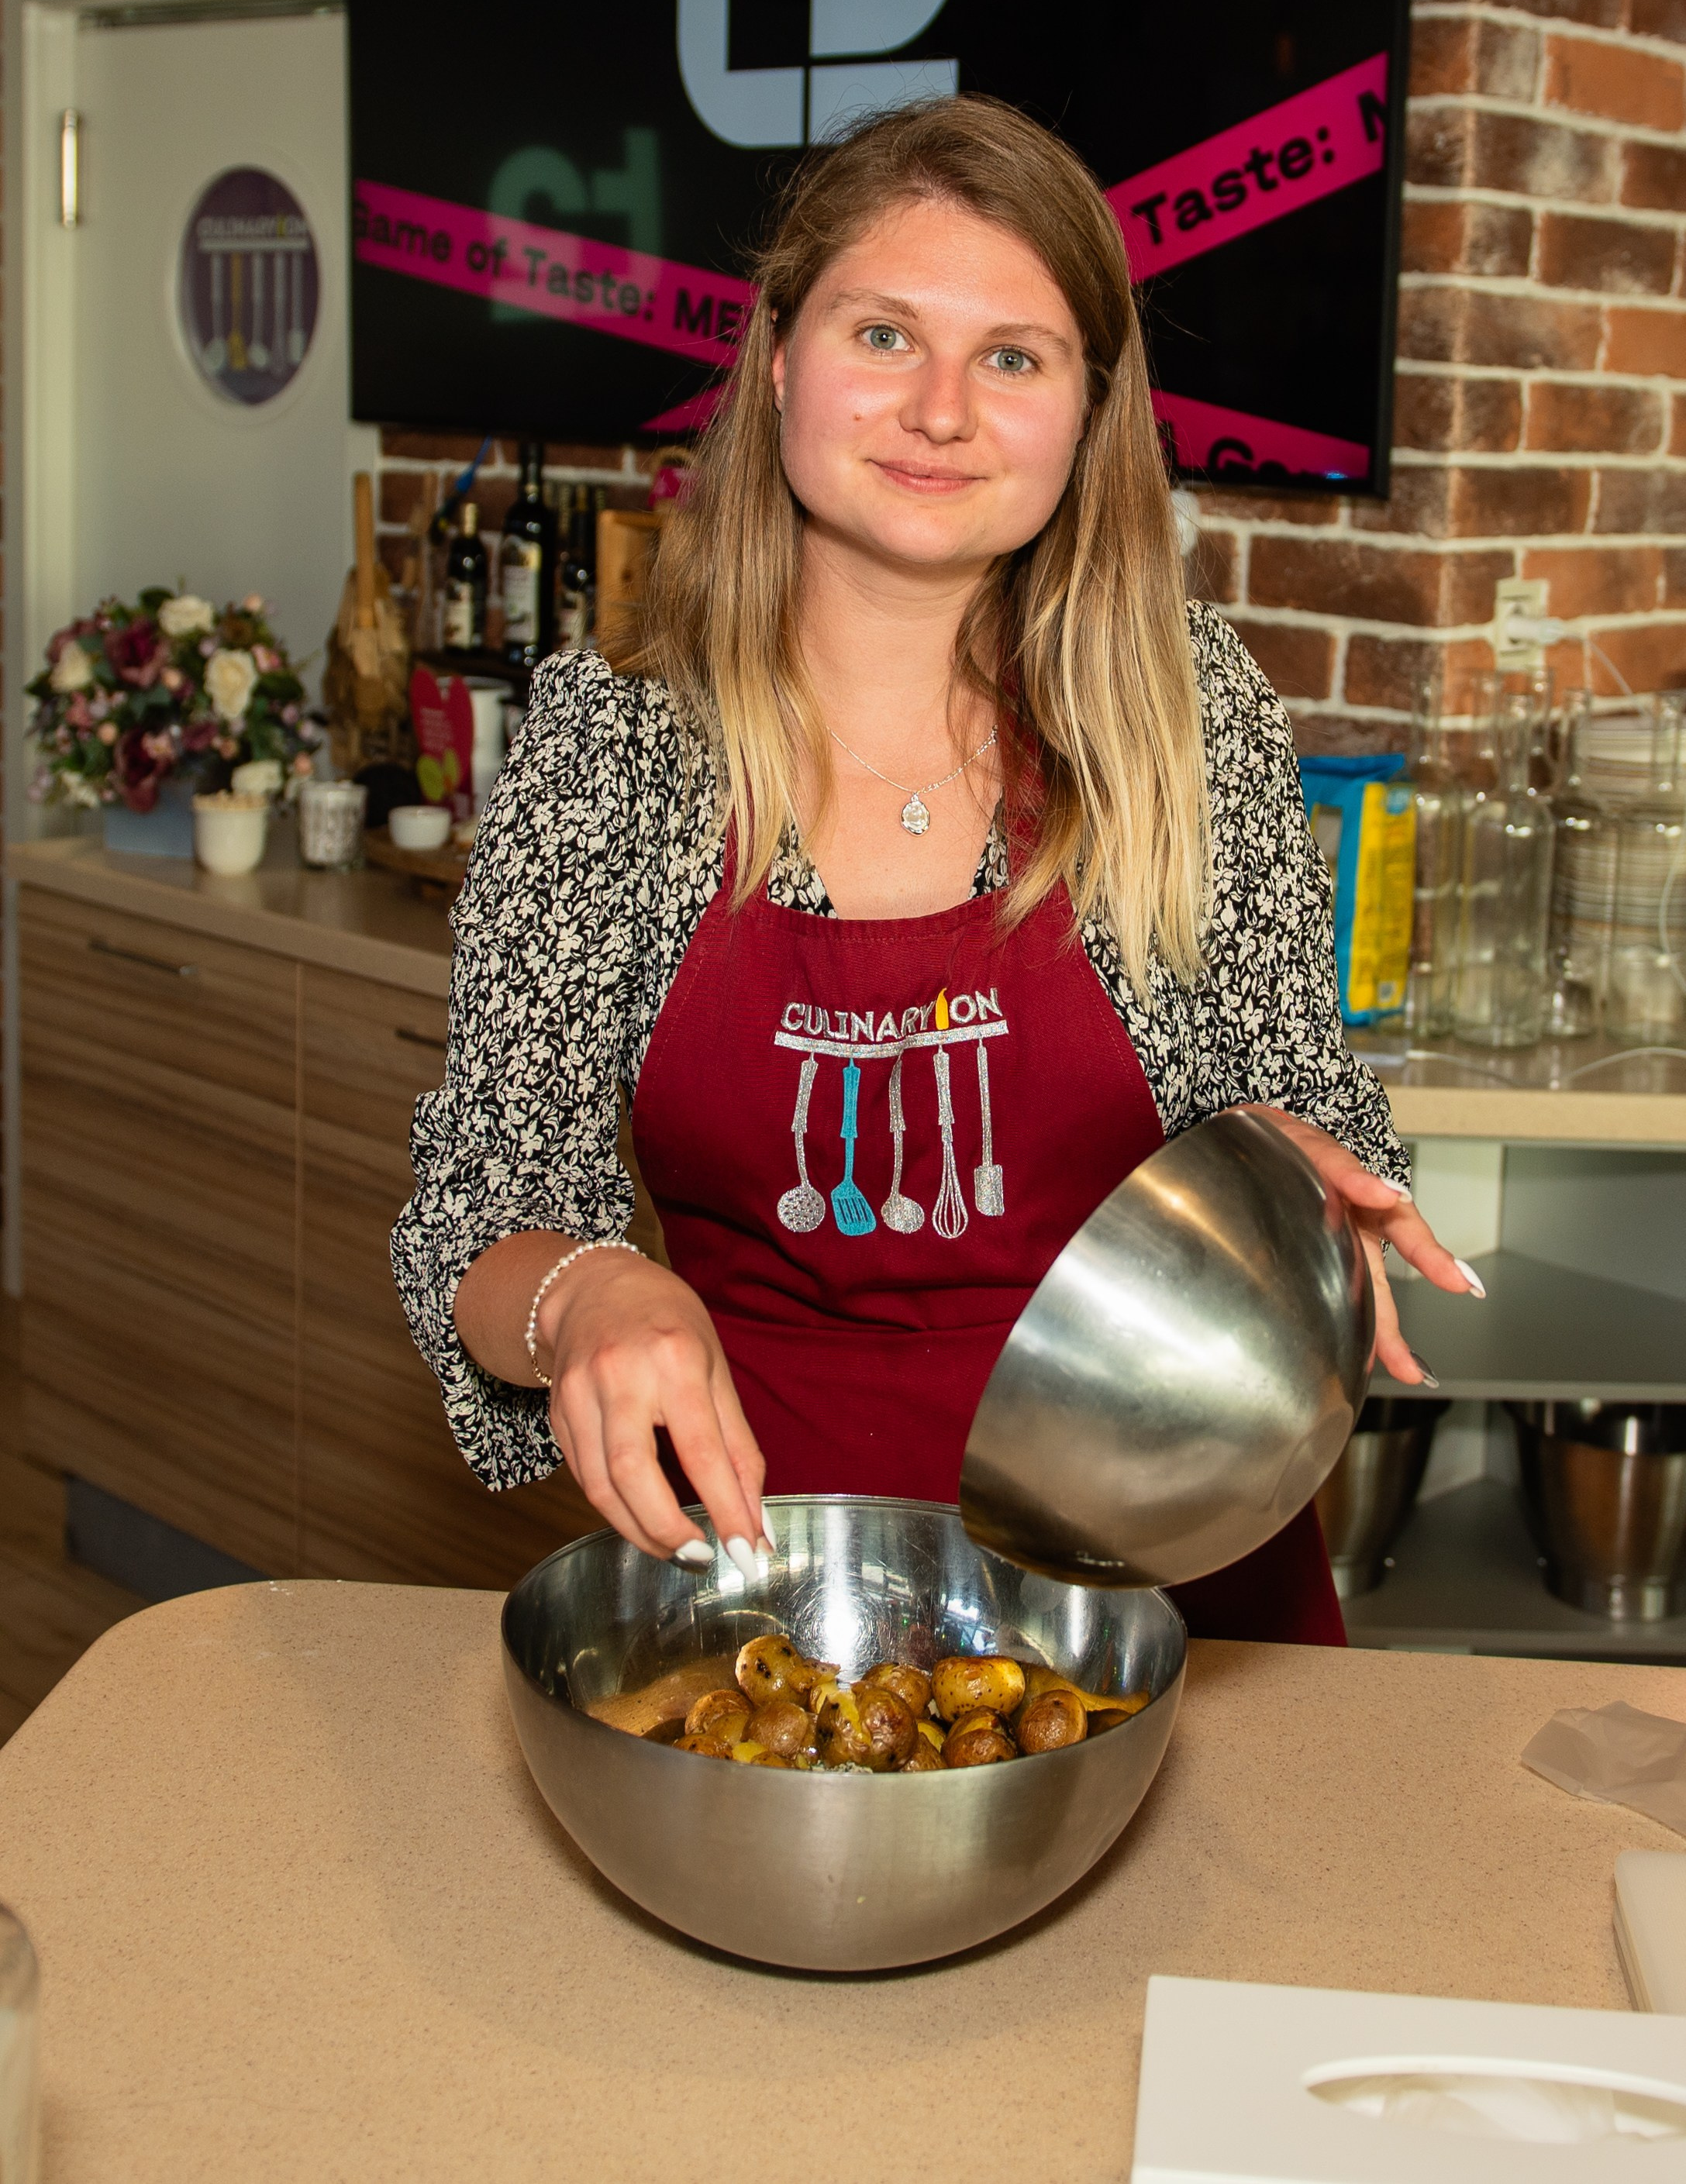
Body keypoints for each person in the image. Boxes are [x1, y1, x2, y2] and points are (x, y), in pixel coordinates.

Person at [392, 95, 1477, 1646]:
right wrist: (584, 1302)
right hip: (769, 1598)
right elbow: (480, 1215)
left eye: (1012, 357)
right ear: (780, 360)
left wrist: (1308, 1187)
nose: (940, 411)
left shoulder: (1182, 713)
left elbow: (1296, 1094)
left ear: (1085, 412)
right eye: (884, 335)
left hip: (1171, 1578)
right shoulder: (609, 746)